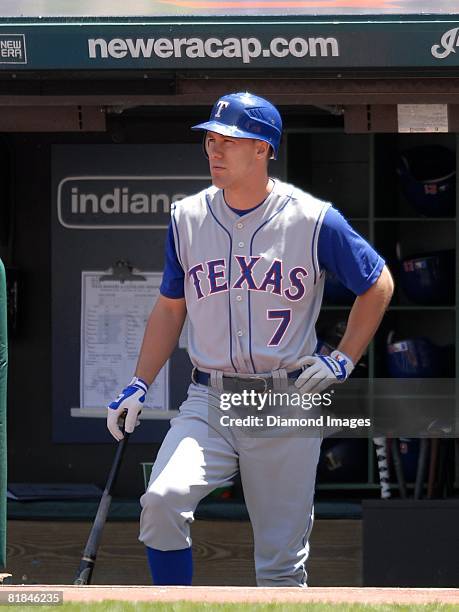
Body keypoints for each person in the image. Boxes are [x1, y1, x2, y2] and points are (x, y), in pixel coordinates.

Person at [107, 92, 394, 587]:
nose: (215, 151)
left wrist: (343, 358)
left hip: (284, 400)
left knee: (280, 566)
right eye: (211, 140)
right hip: (210, 398)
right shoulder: (187, 217)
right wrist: (139, 382)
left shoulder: (312, 218)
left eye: (230, 141)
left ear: (262, 148)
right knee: (161, 500)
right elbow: (171, 306)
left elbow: (378, 283)